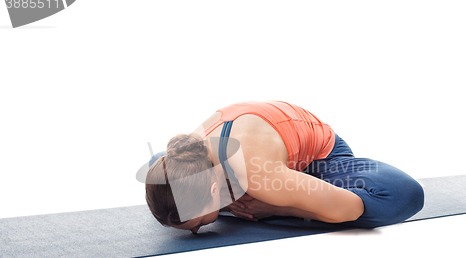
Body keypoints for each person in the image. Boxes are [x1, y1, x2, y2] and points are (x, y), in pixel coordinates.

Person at [145, 100, 424, 234]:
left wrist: (276, 208)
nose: (198, 231)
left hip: (320, 159)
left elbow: (349, 208)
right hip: (264, 159)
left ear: (214, 188)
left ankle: (283, 201)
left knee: (402, 195)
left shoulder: (257, 174)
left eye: (201, 223)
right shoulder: (186, 152)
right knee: (156, 163)